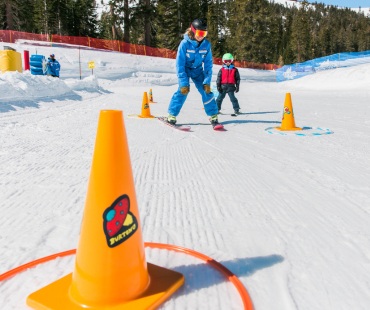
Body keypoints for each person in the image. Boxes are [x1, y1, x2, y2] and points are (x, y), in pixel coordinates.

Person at [167, 18, 220, 128]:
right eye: (200, 33)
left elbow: (208, 64)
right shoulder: (185, 43)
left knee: (207, 91)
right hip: (185, 69)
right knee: (183, 91)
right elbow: (179, 64)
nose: (202, 36)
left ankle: (213, 116)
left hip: (197, 70)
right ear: (193, 30)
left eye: (204, 33)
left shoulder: (206, 45)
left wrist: (207, 81)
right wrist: (183, 82)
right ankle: (171, 115)